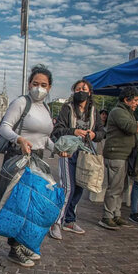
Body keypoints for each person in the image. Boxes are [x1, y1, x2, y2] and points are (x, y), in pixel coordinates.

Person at [0, 64, 67, 267]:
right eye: (35, 83)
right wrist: (19, 139)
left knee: (34, 205)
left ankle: (25, 244)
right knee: (18, 205)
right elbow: (4, 127)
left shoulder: (46, 108)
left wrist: (57, 149)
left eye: (43, 85)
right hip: (18, 157)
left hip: (37, 159)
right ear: (29, 84)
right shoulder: (21, 102)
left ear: (50, 87)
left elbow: (45, 138)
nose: (39, 88)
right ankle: (14, 248)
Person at [50, 79, 105, 239]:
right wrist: (74, 131)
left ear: (89, 92)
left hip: (85, 154)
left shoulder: (94, 110)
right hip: (69, 152)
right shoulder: (67, 108)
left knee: (80, 186)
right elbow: (58, 130)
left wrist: (94, 134)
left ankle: (69, 220)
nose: (81, 91)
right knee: (68, 188)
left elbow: (102, 131)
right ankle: (56, 222)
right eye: (78, 88)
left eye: (84, 88)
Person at [98, 86, 138, 230]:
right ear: (126, 100)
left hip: (125, 156)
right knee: (115, 187)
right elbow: (131, 128)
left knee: (121, 187)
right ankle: (107, 216)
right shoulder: (118, 112)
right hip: (116, 155)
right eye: (135, 100)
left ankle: (116, 214)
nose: (137, 103)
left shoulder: (127, 112)